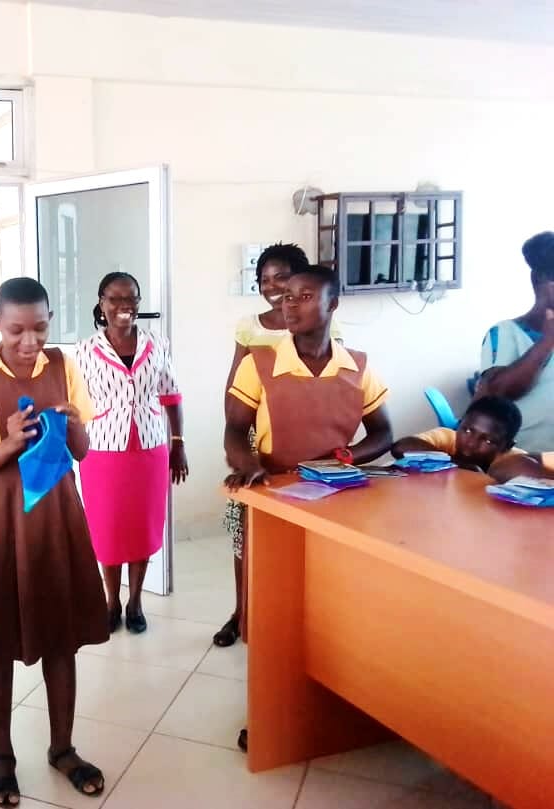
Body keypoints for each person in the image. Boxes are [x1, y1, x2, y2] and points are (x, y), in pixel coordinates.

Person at [0, 278, 109, 806]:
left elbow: (81, 451)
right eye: (16, 329)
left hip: (58, 514)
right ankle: (2, 756)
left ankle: (63, 748)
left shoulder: (64, 366)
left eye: (40, 326)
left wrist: (74, 423)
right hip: (1, 518)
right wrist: (11, 441)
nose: (30, 340)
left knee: (62, 637)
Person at [224, 264, 393, 752]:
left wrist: (343, 457)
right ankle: (270, 713)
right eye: (286, 297)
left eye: (302, 296)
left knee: (330, 612)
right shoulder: (258, 363)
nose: (289, 304)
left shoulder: (357, 366)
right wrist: (248, 462)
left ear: (332, 305)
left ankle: (332, 705)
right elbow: (234, 430)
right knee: (273, 612)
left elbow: (382, 432)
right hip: (277, 502)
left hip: (337, 504)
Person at [215, 243, 342, 648]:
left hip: (307, 440)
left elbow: (331, 383)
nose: (273, 287)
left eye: (282, 278)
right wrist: (239, 446)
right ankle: (241, 611)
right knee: (245, 532)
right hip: (255, 438)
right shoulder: (249, 326)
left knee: (302, 532)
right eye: (265, 279)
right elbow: (235, 385)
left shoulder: (320, 327)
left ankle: (296, 617)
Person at [74, 272, 187, 635]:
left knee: (142, 527)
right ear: (102, 303)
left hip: (150, 450)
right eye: (115, 299)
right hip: (102, 451)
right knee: (106, 530)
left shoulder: (157, 344)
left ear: (139, 302)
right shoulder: (83, 352)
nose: (124, 306)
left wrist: (178, 443)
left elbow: (171, 395)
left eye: (131, 299)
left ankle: (135, 600)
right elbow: (75, 405)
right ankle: (111, 601)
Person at [477, 231, 554, 453]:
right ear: (538, 279)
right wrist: (547, 341)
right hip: (519, 460)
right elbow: (498, 391)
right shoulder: (505, 333)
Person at [391, 396, 523, 473]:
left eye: (487, 441)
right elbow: (401, 447)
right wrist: (463, 466)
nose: (471, 443)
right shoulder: (448, 438)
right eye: (467, 431)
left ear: (507, 446)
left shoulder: (515, 461)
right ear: (460, 423)